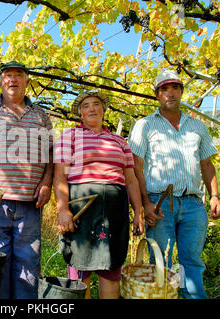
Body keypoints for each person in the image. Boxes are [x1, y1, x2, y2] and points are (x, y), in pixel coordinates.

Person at [128, 70, 220, 299]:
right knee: (162, 263)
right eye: (164, 89)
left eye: (174, 88)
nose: (170, 93)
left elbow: (207, 163)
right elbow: (135, 167)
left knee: (192, 261)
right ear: (157, 95)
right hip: (159, 202)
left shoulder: (196, 126)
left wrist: (214, 196)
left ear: (181, 92)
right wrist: (144, 206)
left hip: (193, 203)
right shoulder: (145, 125)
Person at [0, 61, 53, 299]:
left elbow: (51, 154)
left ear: (27, 82)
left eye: (18, 75)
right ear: (0, 81)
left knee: (28, 263)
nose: (12, 80)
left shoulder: (41, 115)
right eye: (7, 75)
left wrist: (47, 183)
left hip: (30, 203)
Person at [53, 91, 143, 299]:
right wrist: (63, 209)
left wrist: (138, 211)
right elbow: (60, 176)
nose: (92, 108)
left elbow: (131, 180)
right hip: (81, 208)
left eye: (96, 104)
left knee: (111, 266)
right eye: (86, 106)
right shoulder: (71, 136)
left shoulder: (120, 141)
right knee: (80, 263)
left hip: (114, 210)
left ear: (103, 110)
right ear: (80, 114)